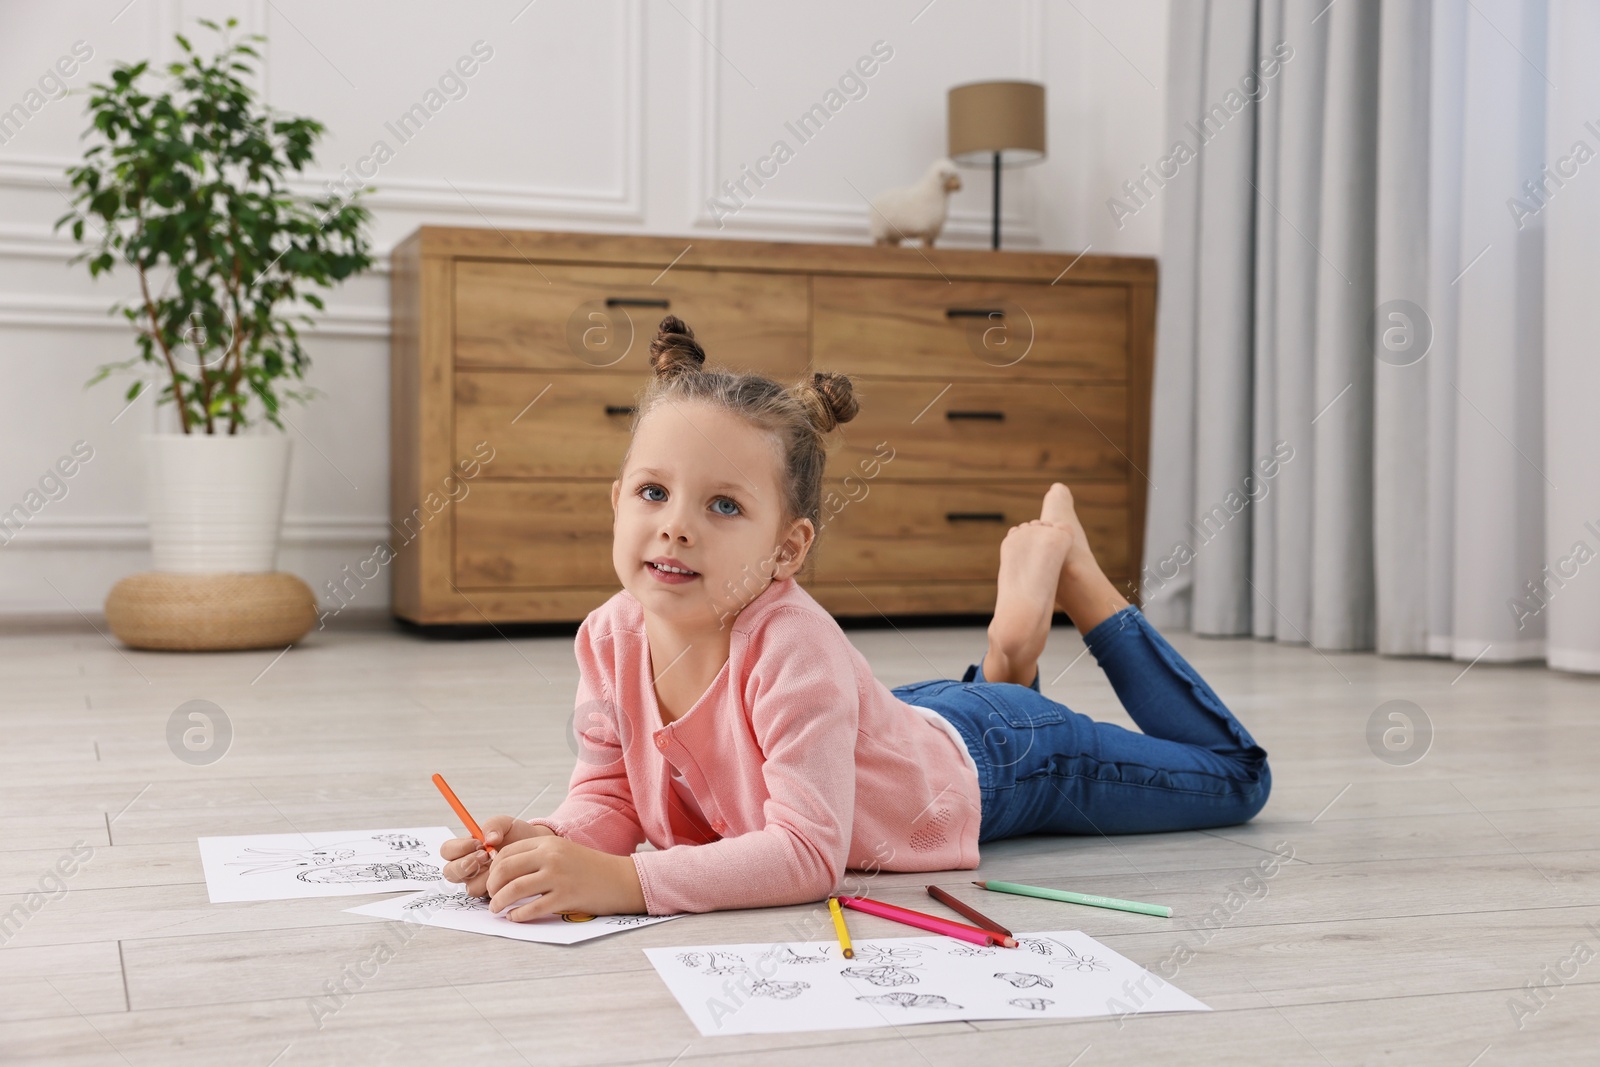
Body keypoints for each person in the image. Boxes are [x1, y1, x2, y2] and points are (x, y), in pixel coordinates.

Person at [440, 316, 1270, 918]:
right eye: (654, 492)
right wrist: (549, 841)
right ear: (618, 501)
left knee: (1236, 778)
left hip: (1008, 761)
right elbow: (611, 798)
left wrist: (627, 884)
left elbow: (807, 856)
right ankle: (1011, 650)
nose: (676, 524)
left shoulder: (794, 645)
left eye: (724, 504)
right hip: (900, 727)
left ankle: (1080, 584)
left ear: (787, 550)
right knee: (914, 725)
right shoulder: (607, 635)